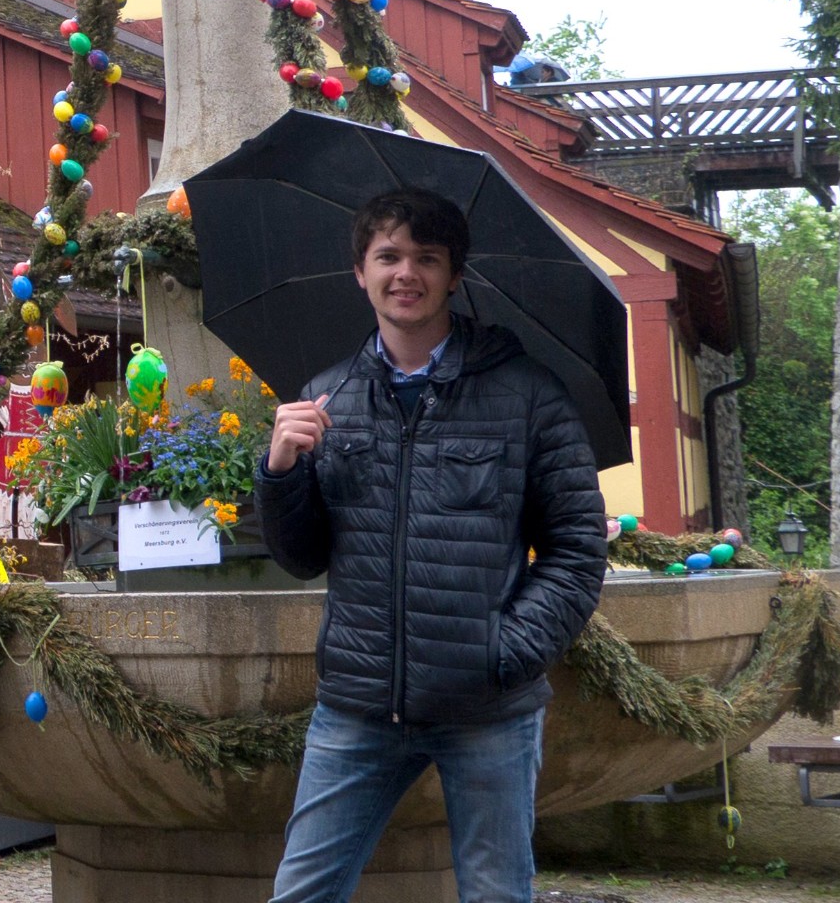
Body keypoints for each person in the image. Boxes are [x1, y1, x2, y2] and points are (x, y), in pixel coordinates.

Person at [256, 187, 607, 903]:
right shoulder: (327, 397)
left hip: (487, 711)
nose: (406, 273)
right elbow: (303, 557)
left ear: (454, 275)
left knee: (496, 895)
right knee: (301, 894)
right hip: (357, 705)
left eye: (427, 257)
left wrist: (502, 653)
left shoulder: (527, 395)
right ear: (360, 271)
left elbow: (575, 552)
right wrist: (281, 469)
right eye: (388, 256)